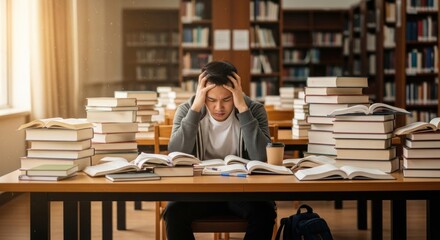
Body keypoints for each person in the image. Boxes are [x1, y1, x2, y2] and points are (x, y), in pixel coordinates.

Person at [164, 61, 276, 240]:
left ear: (237, 93)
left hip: (242, 192)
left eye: (226, 99)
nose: (219, 108)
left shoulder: (254, 110)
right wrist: (195, 110)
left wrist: (242, 109)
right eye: (211, 100)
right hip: (200, 192)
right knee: (173, 212)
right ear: (202, 94)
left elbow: (261, 157)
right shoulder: (187, 110)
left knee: (265, 212)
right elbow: (175, 153)